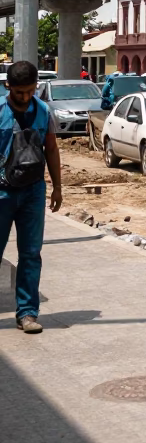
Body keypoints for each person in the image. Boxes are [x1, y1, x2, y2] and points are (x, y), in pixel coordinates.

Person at [0, 60, 62, 334]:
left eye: (29, 91)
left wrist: (57, 187)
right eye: (19, 93)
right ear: (7, 87)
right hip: (1, 192)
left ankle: (27, 313)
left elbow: (51, 149)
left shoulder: (43, 111)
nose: (25, 98)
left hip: (33, 192)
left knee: (30, 254)